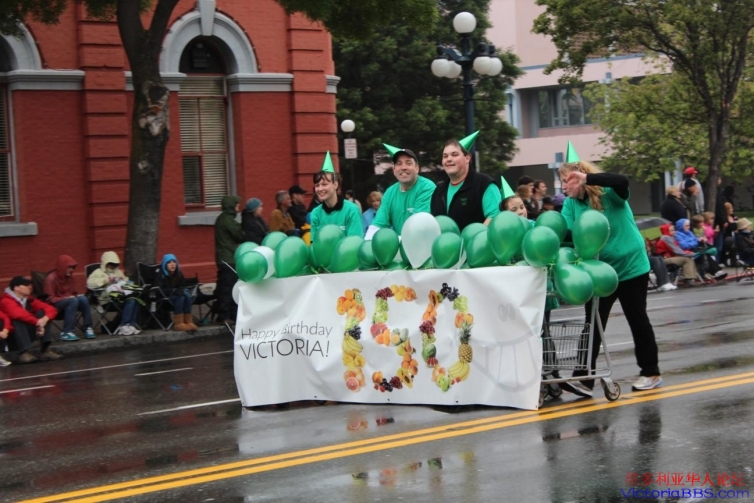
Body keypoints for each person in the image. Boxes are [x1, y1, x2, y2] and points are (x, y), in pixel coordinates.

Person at [558, 161, 662, 394]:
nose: (563, 186)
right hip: (599, 270)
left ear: (581, 179)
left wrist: (589, 179)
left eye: (567, 181)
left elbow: (622, 180)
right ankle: (584, 378)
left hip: (631, 266)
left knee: (637, 318)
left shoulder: (610, 194)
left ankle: (651, 373)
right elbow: (567, 233)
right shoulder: (570, 204)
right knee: (592, 323)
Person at [430, 138, 500, 230]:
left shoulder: (484, 184)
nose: (449, 159)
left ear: (467, 158)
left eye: (454, 155)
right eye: (445, 156)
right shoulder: (438, 190)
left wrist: (475, 236)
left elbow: (494, 218)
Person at [366, 145, 435, 238]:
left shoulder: (427, 187)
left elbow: (418, 226)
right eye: (399, 163)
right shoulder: (389, 192)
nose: (403, 167)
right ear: (394, 170)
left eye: (408, 163)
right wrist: (368, 241)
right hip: (401, 243)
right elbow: (378, 225)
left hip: (423, 243)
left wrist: (394, 241)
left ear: (417, 168)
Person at [0, 276, 61, 363]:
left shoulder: (29, 299)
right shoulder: (5, 301)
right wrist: (38, 323)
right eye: (26, 285)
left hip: (28, 332)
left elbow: (51, 309)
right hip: (11, 337)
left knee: (43, 313)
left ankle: (45, 350)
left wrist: (44, 319)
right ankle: (24, 352)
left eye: (29, 285)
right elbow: (18, 314)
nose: (29, 287)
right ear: (16, 288)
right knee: (17, 320)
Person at [86, 251, 142, 335]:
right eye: (111, 264)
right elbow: (90, 284)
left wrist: (125, 282)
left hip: (119, 297)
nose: (113, 266)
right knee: (130, 301)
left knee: (136, 300)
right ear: (105, 263)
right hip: (106, 300)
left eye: (115, 264)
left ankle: (131, 325)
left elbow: (125, 279)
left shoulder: (117, 272)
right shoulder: (98, 272)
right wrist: (106, 280)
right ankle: (124, 325)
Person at [43, 255, 96, 341]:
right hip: (55, 306)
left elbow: (74, 293)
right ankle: (67, 332)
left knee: (83, 299)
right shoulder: (51, 279)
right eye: (69, 267)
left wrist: (71, 297)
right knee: (72, 301)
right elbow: (50, 299)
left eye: (72, 268)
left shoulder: (71, 278)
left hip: (70, 303)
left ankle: (88, 327)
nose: (71, 270)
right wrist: (66, 298)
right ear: (62, 267)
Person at [310, 157, 363, 239]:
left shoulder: (352, 210)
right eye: (317, 185)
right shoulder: (315, 213)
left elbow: (355, 242)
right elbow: (314, 243)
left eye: (324, 184)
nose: (320, 189)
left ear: (335, 185)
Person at [214, 195, 245, 323]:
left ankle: (229, 314)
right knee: (228, 287)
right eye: (237, 204)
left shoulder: (223, 219)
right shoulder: (227, 220)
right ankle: (224, 315)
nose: (239, 206)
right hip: (227, 257)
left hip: (225, 257)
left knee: (227, 285)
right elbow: (239, 235)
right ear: (231, 206)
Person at [156, 254, 198, 332]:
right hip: (165, 298)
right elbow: (160, 290)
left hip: (177, 295)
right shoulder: (161, 275)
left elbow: (183, 285)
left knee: (187, 295)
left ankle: (188, 321)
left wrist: (181, 290)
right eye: (169, 262)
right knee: (180, 297)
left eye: (174, 262)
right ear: (165, 264)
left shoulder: (178, 273)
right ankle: (179, 323)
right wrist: (173, 291)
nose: (172, 264)